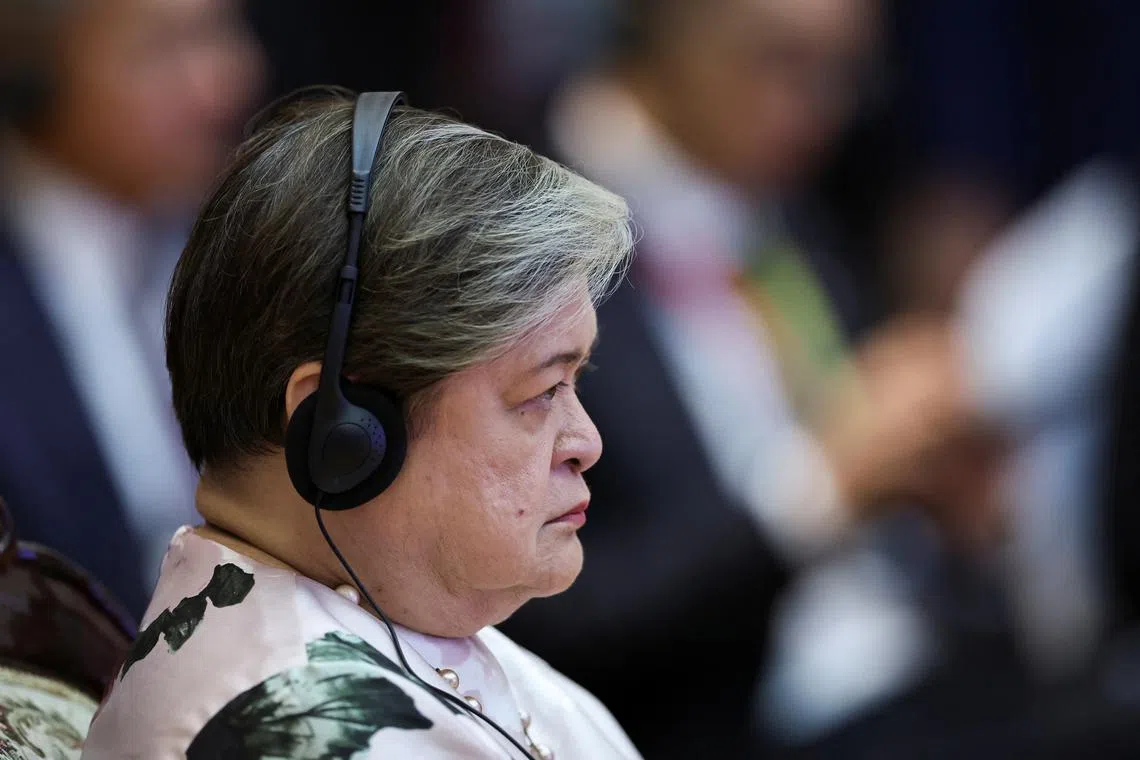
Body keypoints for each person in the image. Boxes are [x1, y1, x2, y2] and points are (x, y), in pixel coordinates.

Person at [497, 0, 1002, 755]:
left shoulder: (780, 201)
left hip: (916, 661)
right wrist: (822, 491)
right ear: (666, 27)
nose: (822, 110)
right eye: (780, 59)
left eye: (846, 73)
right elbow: (551, 614)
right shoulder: (512, 223)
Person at [82, 87, 641, 758]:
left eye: (575, 382)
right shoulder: (287, 731)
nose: (586, 442)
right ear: (340, 428)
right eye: (541, 392)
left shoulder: (412, 626)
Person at [0, 0, 263, 617]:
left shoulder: (255, 242)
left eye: (219, 32)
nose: (223, 83)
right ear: (33, 78)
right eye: (160, 50)